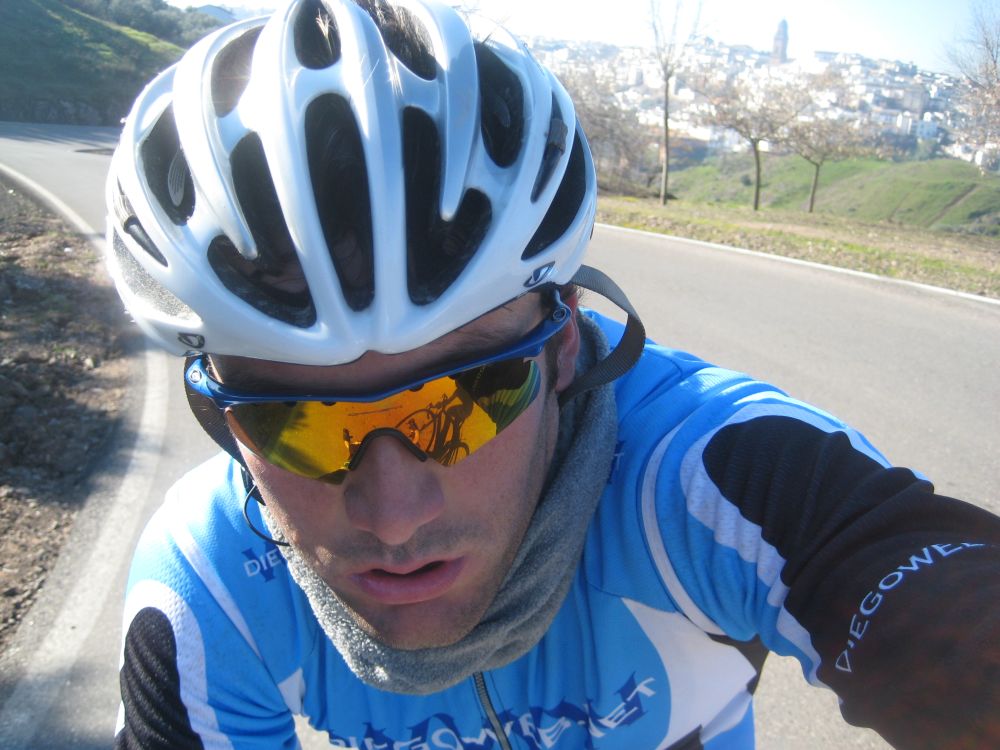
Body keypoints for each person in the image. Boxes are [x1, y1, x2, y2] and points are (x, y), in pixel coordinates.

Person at [105, 1, 999, 748]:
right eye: (293, 424)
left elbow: (912, 578)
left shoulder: (709, 480)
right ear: (220, 418)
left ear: (566, 344)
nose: (395, 514)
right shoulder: (212, 584)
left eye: (466, 402)